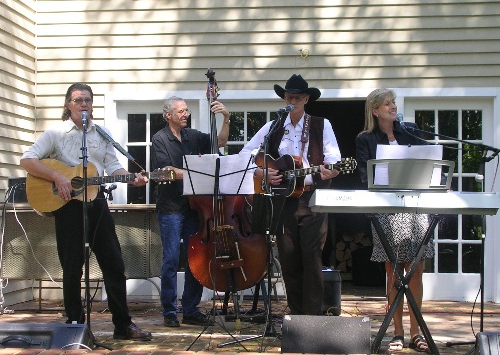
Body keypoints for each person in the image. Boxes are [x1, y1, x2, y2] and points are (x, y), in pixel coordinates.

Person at [20, 83, 152, 341]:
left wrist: (131, 177)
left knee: (114, 264)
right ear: (68, 104)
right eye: (78, 100)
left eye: (88, 100)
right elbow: (27, 160)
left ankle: (123, 325)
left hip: (97, 203)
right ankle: (73, 324)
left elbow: (113, 167)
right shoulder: (56, 133)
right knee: (72, 268)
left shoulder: (101, 134)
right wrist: (58, 177)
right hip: (67, 206)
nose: (84, 105)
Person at [241, 74, 342, 315]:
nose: (292, 101)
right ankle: (297, 316)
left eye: (297, 97)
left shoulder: (321, 124)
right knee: (288, 260)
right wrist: (262, 172)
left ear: (306, 99)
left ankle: (313, 318)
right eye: (289, 96)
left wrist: (332, 170)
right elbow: (246, 153)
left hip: (313, 198)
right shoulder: (273, 126)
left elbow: (334, 160)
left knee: (312, 258)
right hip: (283, 200)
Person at [355, 88, 433, 353]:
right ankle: (397, 333)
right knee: (394, 271)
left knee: (416, 270)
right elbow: (365, 178)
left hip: (416, 208)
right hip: (386, 209)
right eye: (387, 104)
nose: (392, 107)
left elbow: (429, 163)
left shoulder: (410, 130)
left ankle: (417, 332)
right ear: (375, 110)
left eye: (393, 102)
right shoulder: (366, 139)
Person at [151, 95, 231, 327]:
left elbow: (220, 143)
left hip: (195, 207)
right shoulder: (160, 139)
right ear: (168, 115)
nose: (186, 114)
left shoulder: (192, 135)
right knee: (171, 259)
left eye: (186, 110)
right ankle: (169, 310)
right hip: (171, 207)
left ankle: (190, 309)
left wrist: (225, 118)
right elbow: (166, 171)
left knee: (195, 257)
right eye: (181, 111)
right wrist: (199, 171)